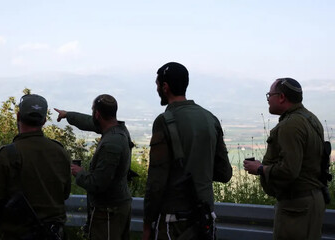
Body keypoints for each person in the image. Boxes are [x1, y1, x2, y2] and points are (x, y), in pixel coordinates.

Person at [142, 62, 232, 240]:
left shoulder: (164, 121)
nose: (157, 89)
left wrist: (147, 224)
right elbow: (225, 173)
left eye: (157, 85)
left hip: (173, 222)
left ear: (165, 87)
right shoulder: (210, 118)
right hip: (205, 219)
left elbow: (156, 181)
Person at [243, 78, 326, 240]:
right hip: (311, 201)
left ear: (281, 97)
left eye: (270, 95)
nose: (268, 99)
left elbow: (289, 170)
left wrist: (260, 168)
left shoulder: (291, 125)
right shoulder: (310, 119)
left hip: (296, 207)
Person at [0, 94, 72, 240]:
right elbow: (65, 194)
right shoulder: (60, 152)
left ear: (18, 116)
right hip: (54, 235)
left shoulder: (7, 155)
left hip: (17, 235)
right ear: (44, 120)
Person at [55, 94, 132, 240]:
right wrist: (68, 115)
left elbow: (98, 184)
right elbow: (89, 122)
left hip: (109, 211)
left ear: (97, 114)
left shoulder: (111, 144)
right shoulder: (117, 129)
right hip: (117, 207)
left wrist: (79, 173)